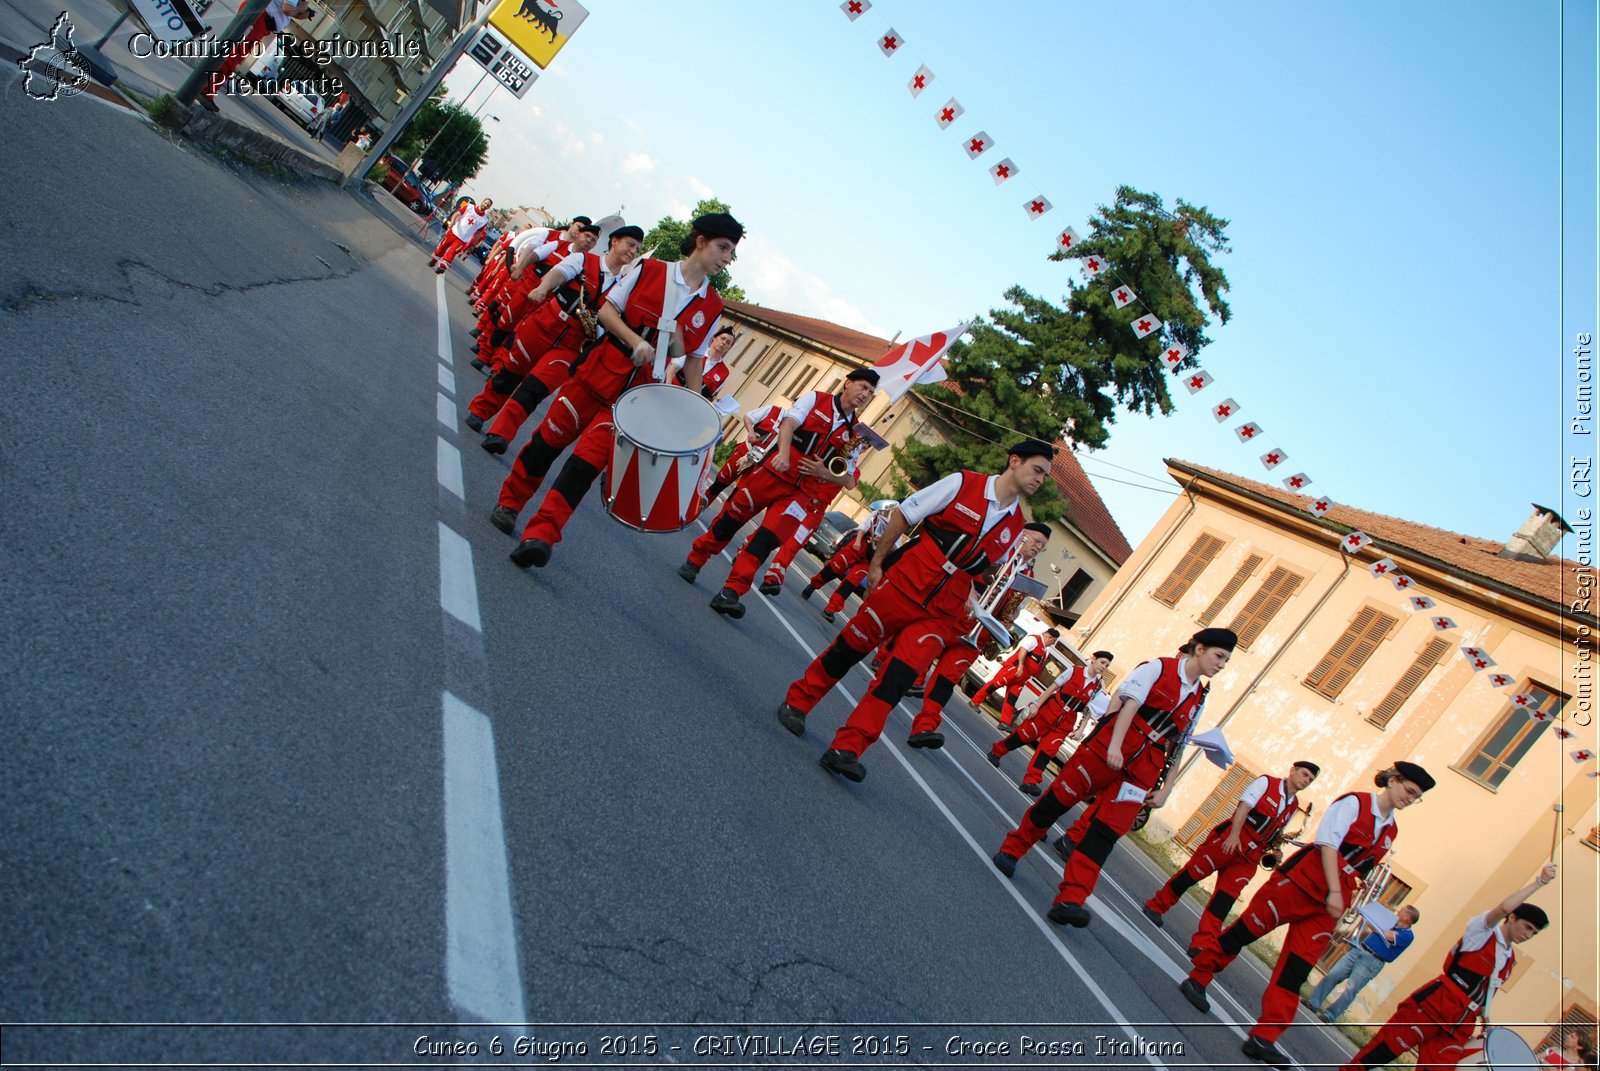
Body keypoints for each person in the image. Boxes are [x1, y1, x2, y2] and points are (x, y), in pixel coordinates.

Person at [770, 439, 1055, 782]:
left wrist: (978, 594)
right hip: (906, 583)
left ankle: (848, 747)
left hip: (941, 610)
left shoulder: (1015, 525)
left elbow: (982, 568)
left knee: (896, 680)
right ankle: (797, 702)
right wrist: (877, 562)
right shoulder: (963, 483)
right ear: (1014, 461)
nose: (1040, 479)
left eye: (1045, 475)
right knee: (848, 650)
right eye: (1037, 470)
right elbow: (904, 514)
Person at [490, 212, 741, 567]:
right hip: (596, 373)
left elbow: (694, 361)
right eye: (723, 247)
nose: (726, 258)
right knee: (546, 444)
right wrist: (635, 341)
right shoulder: (650, 270)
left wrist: (693, 412)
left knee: (584, 467)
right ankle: (510, 502)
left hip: (635, 400)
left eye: (731, 252)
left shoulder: (712, 306)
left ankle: (541, 535)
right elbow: (607, 311)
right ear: (700, 242)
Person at [1177, 763, 1435, 1071]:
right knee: (1244, 932)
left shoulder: (1391, 831)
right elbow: (1327, 845)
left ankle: (1264, 1037)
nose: (1410, 799)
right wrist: (1337, 892)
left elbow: (1358, 865)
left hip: (1324, 908)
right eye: (1409, 791)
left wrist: (1350, 890)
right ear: (1393, 781)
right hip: (1299, 885)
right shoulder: (1355, 804)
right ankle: (1199, 977)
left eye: (1416, 797)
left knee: (1295, 971)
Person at [992, 628, 1234, 930]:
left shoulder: (1199, 697)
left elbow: (1180, 743)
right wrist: (1116, 745)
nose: (1222, 664)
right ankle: (1013, 849)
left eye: (1226, 660)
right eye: (1219, 656)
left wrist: (1166, 789)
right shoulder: (1158, 668)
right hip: (1108, 748)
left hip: (1144, 766)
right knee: (1057, 801)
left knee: (1106, 833)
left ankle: (1071, 899)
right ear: (1199, 650)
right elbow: (1127, 704)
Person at [677, 371, 879, 619]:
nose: (866, 394)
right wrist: (783, 453)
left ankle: (731, 592)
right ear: (848, 383)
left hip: (802, 493)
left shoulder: (856, 435)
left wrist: (824, 472)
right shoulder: (815, 399)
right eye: (863, 387)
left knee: (765, 541)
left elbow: (848, 481)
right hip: (773, 473)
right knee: (730, 520)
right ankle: (695, 559)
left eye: (871, 392)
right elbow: (789, 423)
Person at [1341, 864, 1558, 1071]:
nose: (1528, 935)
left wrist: (1488, 1023)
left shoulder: (1510, 960)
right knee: (1382, 1051)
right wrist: (1539, 882)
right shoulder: (1483, 932)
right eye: (1527, 927)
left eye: (1534, 933)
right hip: (1436, 1004)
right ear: (1511, 918)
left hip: (1462, 1023)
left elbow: (1485, 996)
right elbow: (1501, 908)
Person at [467, 223, 628, 444]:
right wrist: (543, 287)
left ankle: (500, 434)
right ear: (614, 242)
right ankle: (479, 410)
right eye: (630, 244)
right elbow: (560, 272)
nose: (633, 251)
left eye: (637, 249)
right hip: (543, 326)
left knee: (535, 389)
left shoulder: (623, 286)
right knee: (511, 372)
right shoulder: (583, 260)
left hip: (570, 346)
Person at [1143, 761, 1321, 958]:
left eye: (1310, 780)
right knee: (1192, 874)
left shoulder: (1293, 805)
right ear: (1293, 770)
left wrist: (1276, 851)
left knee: (1224, 900)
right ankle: (1156, 905)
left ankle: (1202, 944)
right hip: (1231, 840)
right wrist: (1233, 835)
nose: (1306, 781)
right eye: (1304, 775)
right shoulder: (1266, 783)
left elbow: (1275, 830)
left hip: (1250, 856)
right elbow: (1243, 807)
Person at [900, 521, 1051, 750]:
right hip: (956, 616)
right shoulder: (997, 552)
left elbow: (1016, 607)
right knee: (915, 658)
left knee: (946, 680)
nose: (1038, 548)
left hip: (978, 633)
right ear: (1022, 536)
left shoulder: (1029, 576)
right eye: (1036, 542)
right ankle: (891, 683)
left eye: (1043, 547)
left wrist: (1009, 619)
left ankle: (925, 727)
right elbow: (964, 570)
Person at [988, 650, 1113, 795]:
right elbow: (1053, 688)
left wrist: (1080, 729)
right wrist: (1036, 705)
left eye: (1107, 665)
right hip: (1049, 711)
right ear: (1093, 659)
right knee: (1023, 735)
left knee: (1048, 751)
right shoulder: (1074, 671)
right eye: (1102, 662)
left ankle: (1031, 781)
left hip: (1066, 722)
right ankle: (997, 751)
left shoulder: (1098, 686)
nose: (1104, 667)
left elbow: (1089, 709)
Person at [1303, 903, 1419, 1022]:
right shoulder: (1390, 923)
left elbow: (1388, 936)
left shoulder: (1408, 935)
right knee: (1333, 975)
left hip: (1372, 960)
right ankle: (1313, 1002)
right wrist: (1377, 923)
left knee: (1351, 989)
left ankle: (1329, 1016)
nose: (1399, 911)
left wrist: (1379, 925)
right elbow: (1373, 926)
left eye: (1403, 911)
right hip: (1359, 950)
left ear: (1407, 918)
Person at [201, 0, 311, 109]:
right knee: (234, 56)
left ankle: (206, 88)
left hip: (260, 17)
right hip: (260, 17)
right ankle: (205, 90)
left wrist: (300, 12)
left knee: (234, 54)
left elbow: (284, 9)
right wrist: (300, 9)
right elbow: (287, 8)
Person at [971, 628, 1061, 727]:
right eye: (1054, 641)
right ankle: (975, 702)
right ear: (1050, 637)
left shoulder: (1045, 651)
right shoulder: (1034, 640)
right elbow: (1023, 650)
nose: (1053, 643)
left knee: (1012, 698)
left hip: (1022, 678)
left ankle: (1005, 722)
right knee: (994, 685)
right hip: (1013, 670)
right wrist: (1021, 666)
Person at [430, 197, 492, 273]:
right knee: (443, 246)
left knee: (452, 252)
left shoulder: (484, 220)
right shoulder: (469, 207)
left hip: (463, 239)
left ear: (488, 208)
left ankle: (442, 267)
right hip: (454, 231)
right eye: (485, 203)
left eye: (488, 205)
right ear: (482, 202)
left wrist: (473, 245)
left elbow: (478, 233)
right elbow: (457, 214)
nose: (485, 205)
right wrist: (452, 222)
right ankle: (434, 260)